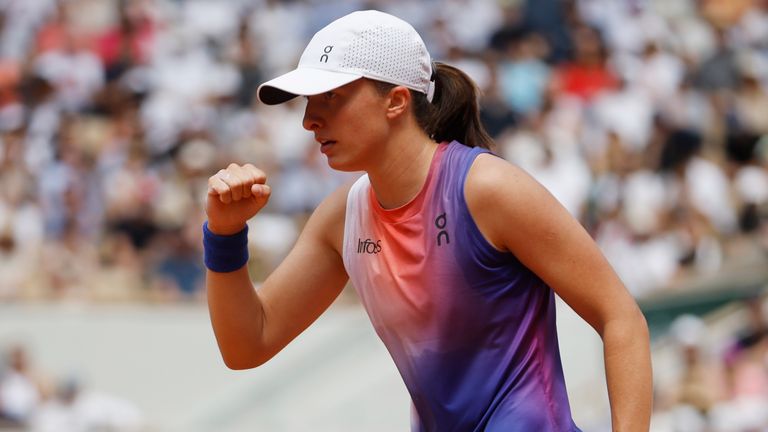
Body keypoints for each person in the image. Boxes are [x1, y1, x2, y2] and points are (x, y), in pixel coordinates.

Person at [204, 10, 651, 431]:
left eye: (331, 97)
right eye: (308, 101)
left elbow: (621, 317)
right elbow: (248, 345)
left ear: (396, 101)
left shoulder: (488, 189)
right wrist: (225, 235)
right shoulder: (342, 218)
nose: (308, 119)